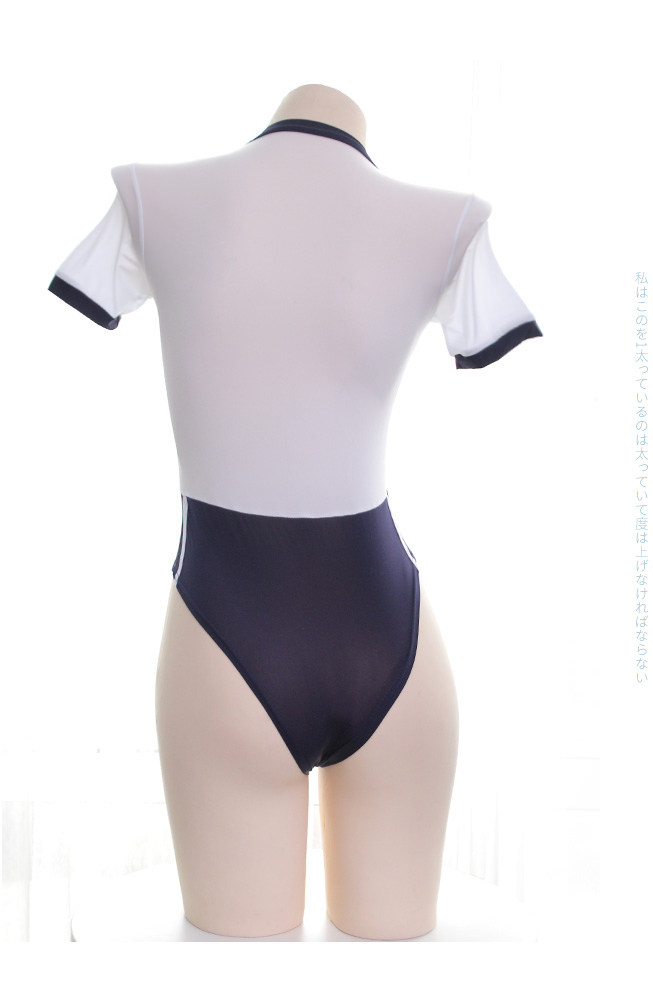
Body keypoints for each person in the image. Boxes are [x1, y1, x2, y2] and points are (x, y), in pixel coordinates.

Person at [47, 83, 543, 940]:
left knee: (355, 967)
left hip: (234, 635)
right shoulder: (147, 198)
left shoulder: (453, 223)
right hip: (370, 639)